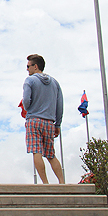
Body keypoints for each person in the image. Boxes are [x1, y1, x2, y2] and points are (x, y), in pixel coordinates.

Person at [23, 54, 65, 184]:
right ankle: (62, 182)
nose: (27, 69)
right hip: (49, 122)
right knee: (51, 154)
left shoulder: (29, 81)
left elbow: (26, 100)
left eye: (28, 66)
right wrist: (57, 124)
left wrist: (28, 107)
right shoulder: (55, 83)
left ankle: (45, 183)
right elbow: (60, 104)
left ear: (35, 67)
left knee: (37, 152)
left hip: (34, 120)